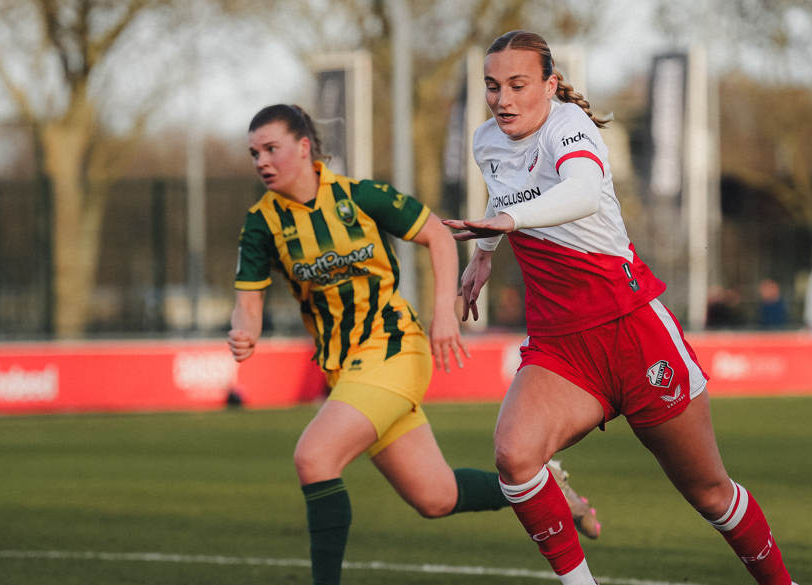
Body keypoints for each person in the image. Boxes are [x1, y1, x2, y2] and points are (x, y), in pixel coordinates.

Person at [443, 31, 797, 585]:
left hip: (631, 331)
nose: (502, 100)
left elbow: (582, 192)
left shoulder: (569, 126)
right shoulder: (487, 140)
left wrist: (508, 223)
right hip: (560, 345)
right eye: (492, 86)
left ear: (550, 85)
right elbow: (503, 190)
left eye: (517, 85)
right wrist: (484, 254)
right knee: (514, 456)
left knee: (710, 493)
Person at [227, 104, 597, 585]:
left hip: (394, 349)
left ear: (302, 147)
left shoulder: (358, 196)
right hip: (346, 371)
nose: (261, 161)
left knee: (314, 458)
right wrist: (244, 331)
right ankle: (546, 487)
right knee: (436, 497)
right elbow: (248, 303)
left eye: (270, 149)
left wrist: (443, 311)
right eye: (254, 153)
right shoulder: (261, 223)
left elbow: (437, 235)